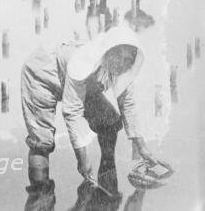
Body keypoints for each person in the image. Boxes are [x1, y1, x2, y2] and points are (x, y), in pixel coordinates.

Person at [20, 25, 169, 192]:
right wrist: (82, 159)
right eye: (120, 57)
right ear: (110, 51)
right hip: (42, 74)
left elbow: (128, 105)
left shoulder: (120, 68)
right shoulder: (82, 61)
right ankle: (40, 194)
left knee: (110, 119)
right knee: (42, 143)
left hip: (81, 80)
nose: (123, 63)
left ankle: (107, 170)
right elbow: (72, 112)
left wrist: (141, 146)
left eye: (129, 60)